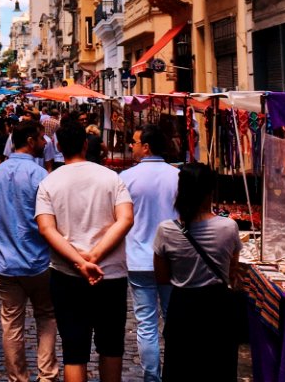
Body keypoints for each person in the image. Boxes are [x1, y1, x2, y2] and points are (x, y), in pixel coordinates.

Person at [35, 121, 133, 382]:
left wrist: (80, 261)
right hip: (109, 275)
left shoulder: (49, 182)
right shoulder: (111, 178)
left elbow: (47, 229)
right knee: (111, 347)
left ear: (57, 146)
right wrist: (95, 257)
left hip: (68, 276)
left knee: (74, 352)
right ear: (85, 144)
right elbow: (125, 219)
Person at [154, 162, 241, 381]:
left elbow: (162, 276)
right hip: (218, 308)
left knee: (182, 369)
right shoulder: (228, 227)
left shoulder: (166, 229)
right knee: (217, 369)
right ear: (210, 192)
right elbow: (233, 271)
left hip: (183, 308)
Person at [0, 121, 59, 382]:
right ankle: (47, 375)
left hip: (6, 262)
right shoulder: (40, 176)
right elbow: (50, 221)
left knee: (12, 323)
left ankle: (18, 378)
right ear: (30, 140)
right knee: (46, 316)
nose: (45, 143)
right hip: (39, 261)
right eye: (41, 138)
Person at [119, 124, 180, 382]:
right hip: (172, 259)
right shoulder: (178, 176)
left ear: (146, 147)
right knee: (173, 321)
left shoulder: (126, 178)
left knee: (146, 325)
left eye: (134, 142)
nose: (130, 146)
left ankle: (151, 378)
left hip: (138, 260)